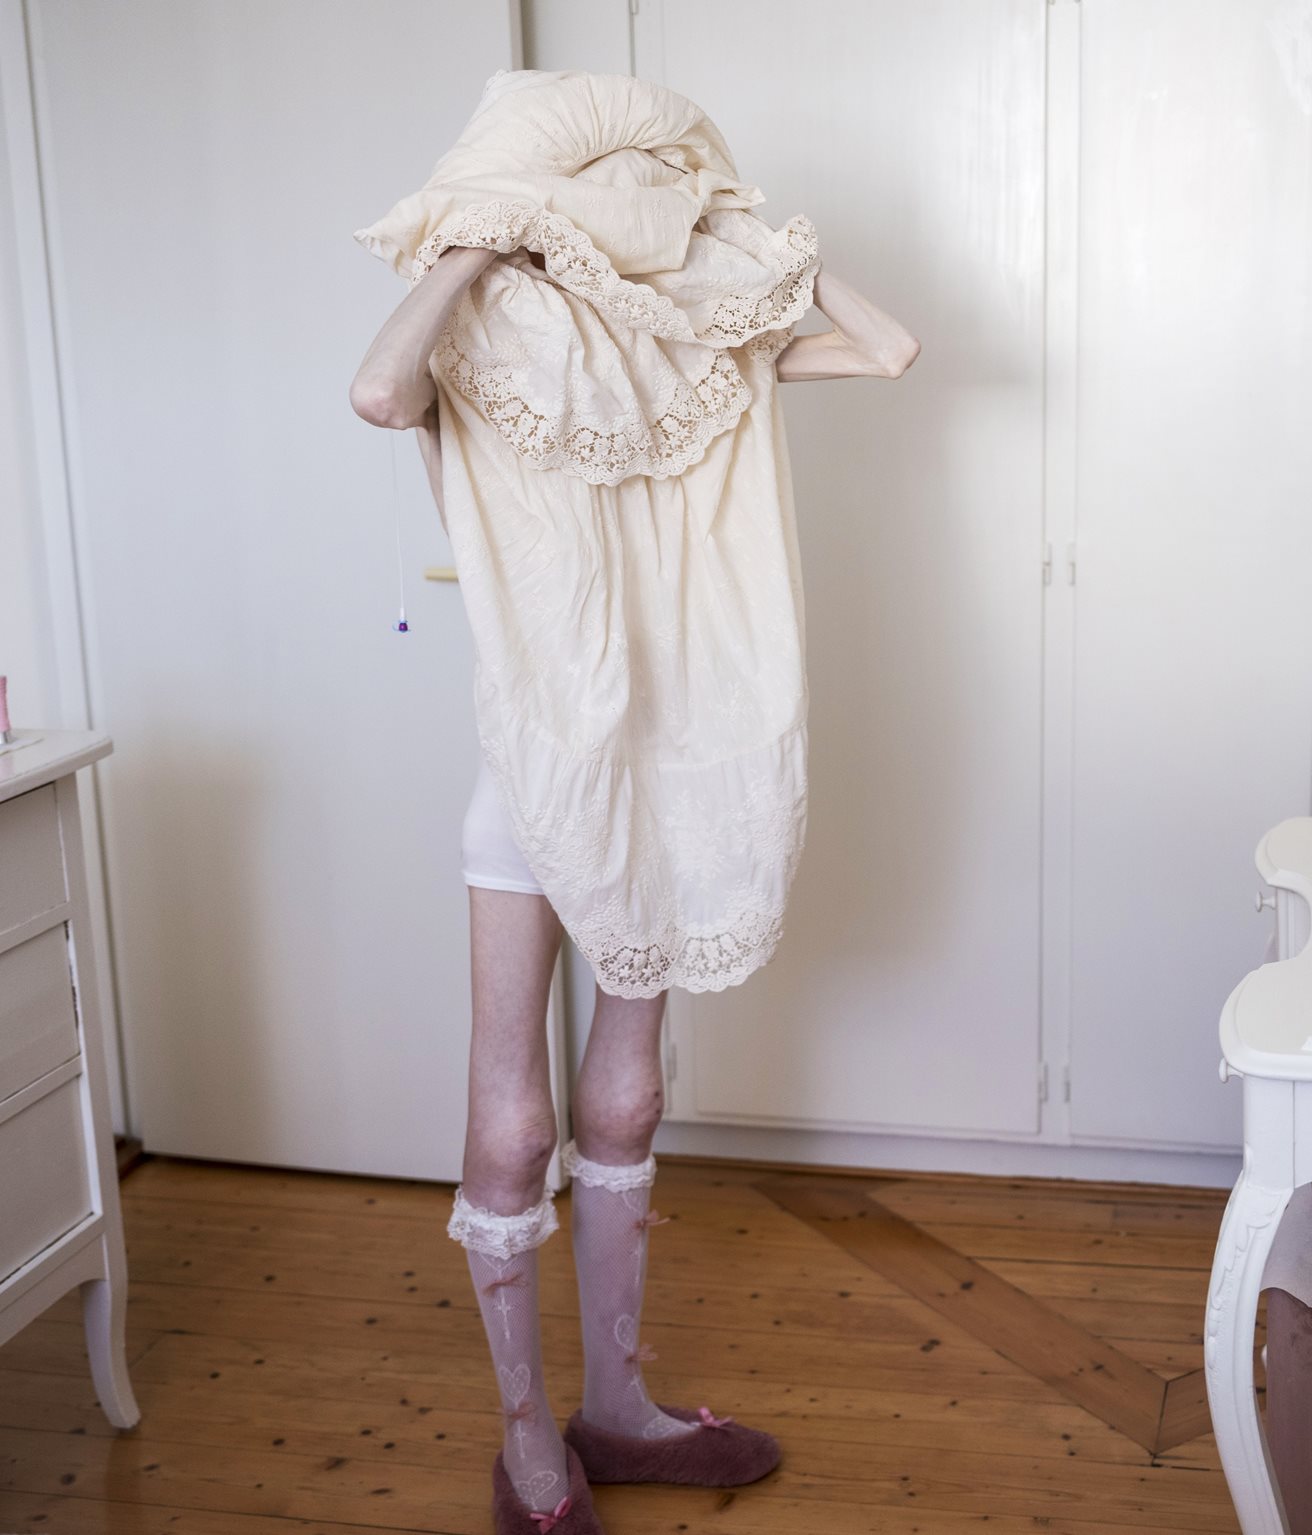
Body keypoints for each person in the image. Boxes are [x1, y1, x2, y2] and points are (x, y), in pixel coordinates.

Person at [349, 70, 917, 1535]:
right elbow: (375, 388)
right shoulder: (476, 336)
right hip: (535, 778)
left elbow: (890, 343)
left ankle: (619, 1402)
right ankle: (529, 1433)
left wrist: (731, 222)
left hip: (675, 761)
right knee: (512, 1116)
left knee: (632, 1089)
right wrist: (481, 235)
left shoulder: (689, 337)